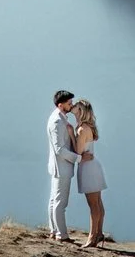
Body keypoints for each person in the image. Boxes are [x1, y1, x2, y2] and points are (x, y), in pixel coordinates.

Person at [70, 98, 109, 247]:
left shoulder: (82, 129)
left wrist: (71, 135)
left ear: (81, 111)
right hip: (93, 166)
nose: (73, 107)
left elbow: (78, 151)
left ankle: (92, 237)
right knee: (98, 202)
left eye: (76, 106)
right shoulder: (87, 127)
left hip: (88, 169)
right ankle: (98, 233)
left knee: (93, 204)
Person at [46, 90, 79, 240]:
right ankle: (61, 234)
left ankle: (54, 230)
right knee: (60, 202)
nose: (71, 105)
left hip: (58, 167)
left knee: (54, 200)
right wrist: (78, 158)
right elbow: (59, 149)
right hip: (62, 167)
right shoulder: (57, 121)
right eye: (69, 103)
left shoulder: (58, 118)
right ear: (61, 105)